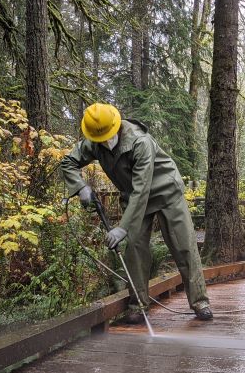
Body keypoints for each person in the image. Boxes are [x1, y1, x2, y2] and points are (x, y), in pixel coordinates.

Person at [61, 103, 213, 324]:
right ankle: (138, 305)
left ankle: (200, 302)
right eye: (98, 138)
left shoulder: (140, 142)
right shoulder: (94, 142)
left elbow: (142, 190)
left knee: (184, 246)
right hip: (133, 198)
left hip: (165, 193)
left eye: (106, 136)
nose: (103, 141)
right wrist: (80, 187)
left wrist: (122, 227)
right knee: (134, 249)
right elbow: (68, 162)